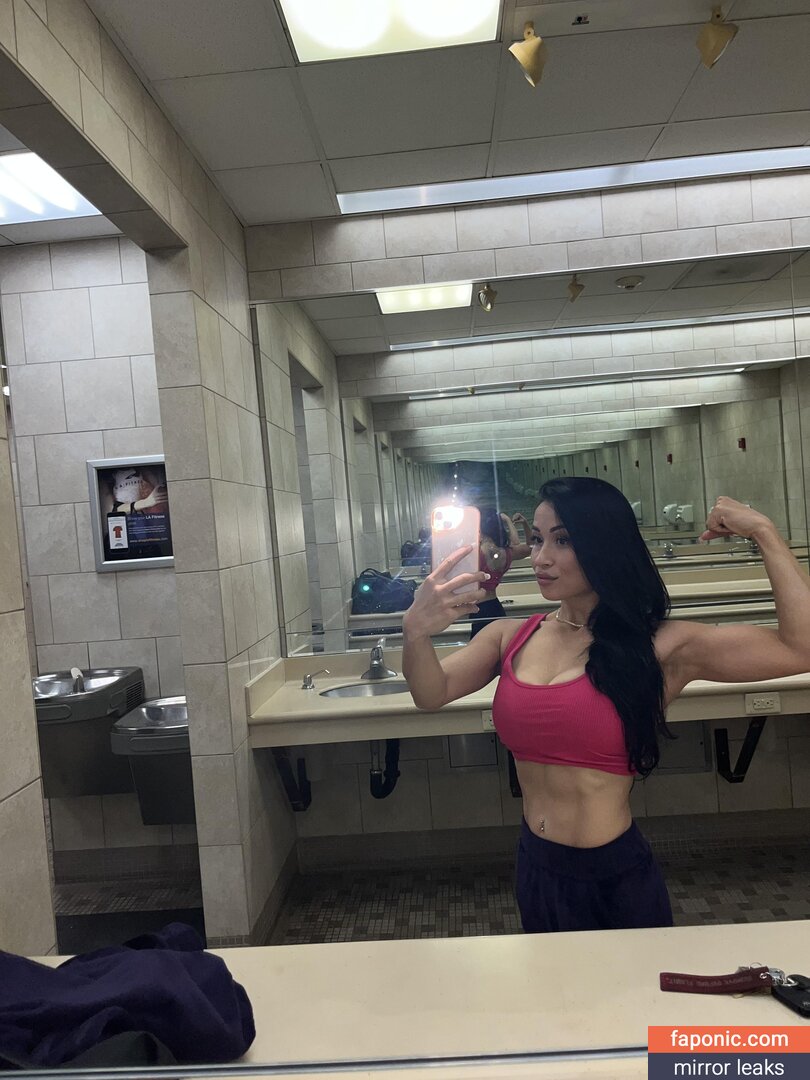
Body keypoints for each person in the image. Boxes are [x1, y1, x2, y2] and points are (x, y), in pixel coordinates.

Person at [402, 477, 810, 934]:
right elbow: (430, 693)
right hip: (535, 866)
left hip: (612, 877)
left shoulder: (659, 646)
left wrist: (763, 532)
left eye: (563, 540)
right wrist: (415, 632)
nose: (540, 557)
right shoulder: (510, 636)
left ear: (604, 545)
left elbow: (801, 648)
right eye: (536, 539)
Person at [469, 508, 532, 638]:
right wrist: (523, 523)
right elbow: (531, 547)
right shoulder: (507, 552)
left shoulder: (474, 552)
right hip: (496, 607)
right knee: (499, 647)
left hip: (480, 610)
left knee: (480, 648)